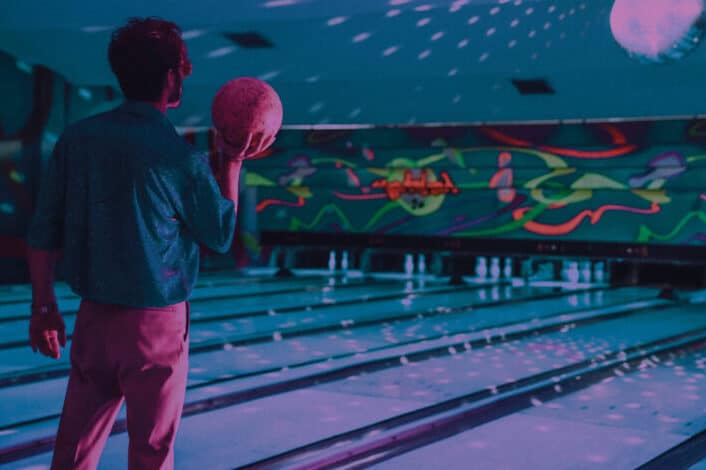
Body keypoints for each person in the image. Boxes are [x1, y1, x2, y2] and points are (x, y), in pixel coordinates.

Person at [25, 17, 273, 470]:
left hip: (93, 320)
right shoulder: (180, 156)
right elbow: (218, 236)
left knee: (73, 454)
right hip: (155, 330)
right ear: (171, 75)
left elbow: (43, 232)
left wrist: (43, 306)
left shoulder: (77, 139)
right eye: (184, 65)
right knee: (151, 454)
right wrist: (233, 163)